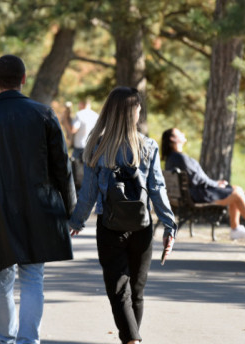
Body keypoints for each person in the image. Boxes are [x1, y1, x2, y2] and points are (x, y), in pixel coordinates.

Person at [0, 55, 76, 344]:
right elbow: (63, 166)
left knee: (1, 278)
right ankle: (28, 340)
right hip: (39, 209)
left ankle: (6, 338)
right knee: (33, 277)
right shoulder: (45, 115)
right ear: (24, 79)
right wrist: (71, 210)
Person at [70, 88, 176, 344]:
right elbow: (156, 189)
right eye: (138, 107)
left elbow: (89, 192)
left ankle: (132, 340)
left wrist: (77, 220)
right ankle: (133, 339)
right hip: (142, 227)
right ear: (133, 112)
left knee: (119, 292)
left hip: (109, 226)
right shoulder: (148, 146)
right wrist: (169, 225)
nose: (140, 111)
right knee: (136, 293)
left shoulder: (98, 145)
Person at [161, 128, 245, 240]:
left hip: (192, 194)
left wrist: (215, 183)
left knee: (236, 189)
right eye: (179, 133)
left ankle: (236, 229)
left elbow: (196, 178)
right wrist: (216, 184)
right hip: (198, 196)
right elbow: (197, 179)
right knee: (237, 193)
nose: (183, 133)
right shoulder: (179, 158)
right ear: (172, 138)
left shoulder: (172, 158)